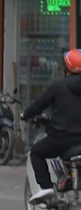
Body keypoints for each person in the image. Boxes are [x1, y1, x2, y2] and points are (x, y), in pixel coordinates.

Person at [22, 49, 81, 201]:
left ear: (67, 69)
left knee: (36, 152)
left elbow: (39, 105)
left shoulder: (58, 86)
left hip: (61, 139)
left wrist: (26, 114)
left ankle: (46, 187)